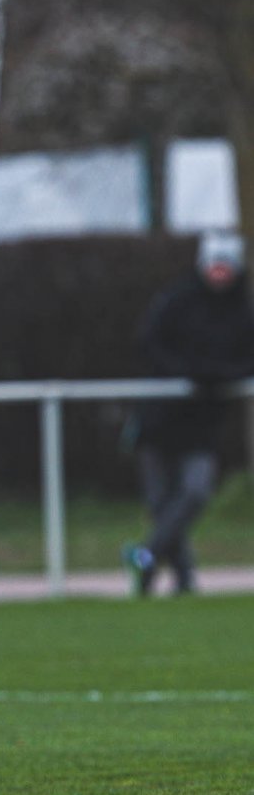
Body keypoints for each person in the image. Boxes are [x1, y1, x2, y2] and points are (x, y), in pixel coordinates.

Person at [123, 230, 254, 596]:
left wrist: (219, 376)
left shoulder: (243, 312)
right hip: (159, 420)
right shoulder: (177, 301)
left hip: (203, 425)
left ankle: (145, 556)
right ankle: (178, 580)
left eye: (226, 266)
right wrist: (187, 372)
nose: (219, 273)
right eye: (215, 265)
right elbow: (149, 343)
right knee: (162, 505)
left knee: (195, 492)